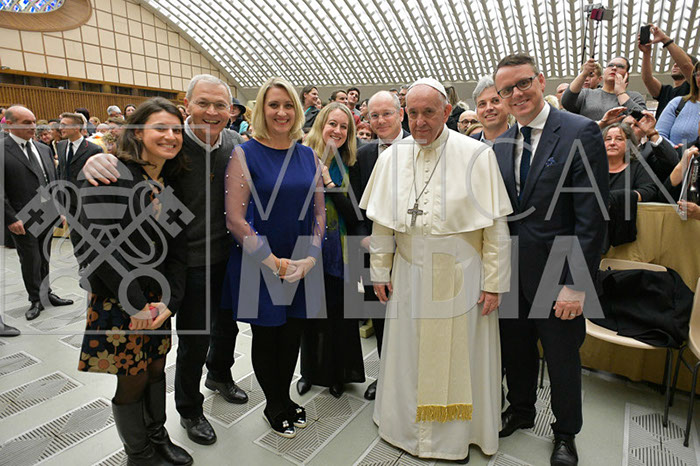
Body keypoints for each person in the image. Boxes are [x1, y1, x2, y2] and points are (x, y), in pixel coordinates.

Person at [82, 74, 249, 446]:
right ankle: (190, 409)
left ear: (231, 111)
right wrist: (93, 161)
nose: (211, 111)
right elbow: (125, 165)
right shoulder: (172, 146)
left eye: (220, 105)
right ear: (187, 105)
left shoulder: (235, 144)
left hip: (227, 255)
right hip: (183, 262)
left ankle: (220, 375)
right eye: (203, 103)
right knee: (193, 339)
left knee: (227, 327)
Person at [360, 78, 512, 463]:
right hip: (409, 274)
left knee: (462, 360)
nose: (419, 121)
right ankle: (405, 429)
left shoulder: (477, 155)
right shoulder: (391, 158)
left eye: (428, 112)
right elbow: (383, 225)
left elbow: (495, 227)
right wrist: (379, 272)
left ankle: (457, 437)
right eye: (412, 113)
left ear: (447, 111)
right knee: (408, 358)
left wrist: (494, 282)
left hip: (463, 277)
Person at [492, 53, 609, 466]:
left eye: (523, 83)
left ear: (541, 81)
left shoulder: (579, 131)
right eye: (506, 89)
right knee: (516, 350)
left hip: (559, 273)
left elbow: (591, 219)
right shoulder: (500, 144)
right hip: (512, 273)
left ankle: (565, 433)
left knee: (561, 360)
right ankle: (521, 409)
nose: (516, 94)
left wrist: (576, 285)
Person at [77, 97, 193, 466]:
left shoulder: (170, 182)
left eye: (176, 129)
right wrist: (137, 304)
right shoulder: (112, 174)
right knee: (132, 376)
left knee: (157, 367)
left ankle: (158, 437)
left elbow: (178, 249)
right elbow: (96, 248)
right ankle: (138, 454)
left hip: (157, 299)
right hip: (120, 297)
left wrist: (168, 302)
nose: (171, 136)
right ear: (138, 132)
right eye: (160, 128)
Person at [220, 77, 324, 438]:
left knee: (292, 334)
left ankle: (285, 397)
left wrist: (310, 258)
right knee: (267, 336)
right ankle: (273, 404)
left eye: (288, 105)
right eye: (274, 105)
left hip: (300, 261)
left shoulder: (308, 155)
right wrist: (274, 262)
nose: (282, 112)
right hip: (259, 260)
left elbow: (319, 213)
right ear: (261, 110)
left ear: (297, 110)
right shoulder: (245, 154)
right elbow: (235, 219)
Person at [296, 102, 365, 399]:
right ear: (321, 125)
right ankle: (310, 372)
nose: (337, 131)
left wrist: (328, 180)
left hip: (341, 251)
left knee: (339, 317)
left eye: (343, 126)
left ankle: (339, 374)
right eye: (332, 124)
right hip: (306, 248)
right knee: (309, 316)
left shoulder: (352, 163)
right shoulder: (300, 157)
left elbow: (355, 213)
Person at [352, 90, 410, 401]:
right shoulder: (363, 155)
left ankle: (412, 376)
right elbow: (357, 206)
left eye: (387, 113)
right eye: (374, 115)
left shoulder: (421, 146)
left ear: (401, 114)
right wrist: (365, 237)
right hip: (375, 249)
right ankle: (386, 374)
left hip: (415, 250)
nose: (380, 120)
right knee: (381, 314)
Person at [3, 105, 73, 321]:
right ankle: (35, 298)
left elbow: (53, 181)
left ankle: (46, 293)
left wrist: (59, 209)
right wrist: (10, 218)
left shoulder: (43, 149)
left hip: (46, 211)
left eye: (34, 121)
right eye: (26, 123)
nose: (33, 126)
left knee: (44, 256)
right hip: (21, 215)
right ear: (10, 124)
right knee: (30, 259)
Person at [562, 56, 646, 121]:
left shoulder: (634, 97)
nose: (614, 68)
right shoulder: (586, 93)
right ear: (604, 72)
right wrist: (584, 73)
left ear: (627, 74)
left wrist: (621, 93)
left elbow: (644, 120)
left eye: (620, 66)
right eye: (610, 65)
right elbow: (566, 102)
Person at [639, 24, 695, 119]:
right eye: (674, 63)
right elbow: (648, 79)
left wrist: (665, 39)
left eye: (678, 62)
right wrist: (646, 53)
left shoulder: (694, 88)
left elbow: (686, 65)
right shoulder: (666, 91)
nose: (675, 65)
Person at [604, 123, 657, 201]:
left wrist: (622, 197)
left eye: (619, 139)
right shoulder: (594, 166)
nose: (612, 143)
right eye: (608, 139)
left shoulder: (637, 166)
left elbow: (649, 191)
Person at [656, 60, 700, 146]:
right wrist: (676, 150)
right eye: (698, 74)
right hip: (675, 154)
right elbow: (659, 135)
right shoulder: (678, 103)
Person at [471, 76, 510, 144]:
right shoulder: (468, 145)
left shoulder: (523, 141)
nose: (488, 108)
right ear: (477, 112)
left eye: (495, 101)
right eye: (482, 104)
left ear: (508, 105)